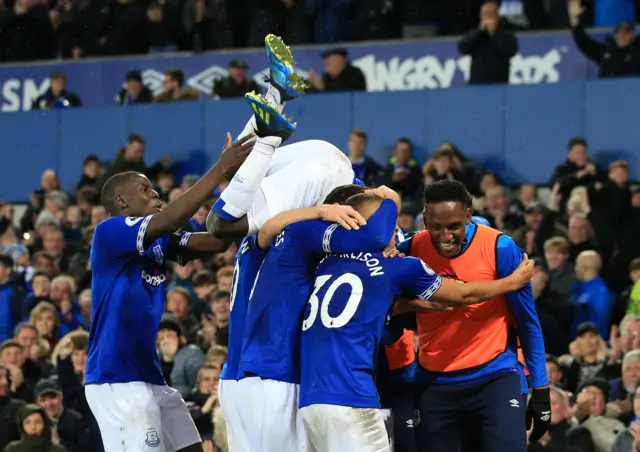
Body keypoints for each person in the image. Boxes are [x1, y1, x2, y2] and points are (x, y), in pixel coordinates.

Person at [82, 117, 269, 451]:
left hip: (149, 376)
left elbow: (216, 242)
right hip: (115, 379)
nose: (155, 193)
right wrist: (220, 169)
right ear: (122, 202)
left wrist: (250, 185)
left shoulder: (158, 240)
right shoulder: (109, 232)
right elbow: (171, 218)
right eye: (145, 189)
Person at [298, 192, 534, 452]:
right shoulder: (400, 266)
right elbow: (463, 294)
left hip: (310, 400)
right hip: (352, 395)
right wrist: (511, 282)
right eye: (392, 223)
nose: (398, 230)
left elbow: (371, 304)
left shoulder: (325, 262)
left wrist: (415, 304)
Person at [232, 188, 400, 452]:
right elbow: (376, 236)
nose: (356, 230)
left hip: (279, 377)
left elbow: (266, 231)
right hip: (274, 374)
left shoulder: (310, 251)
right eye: (356, 219)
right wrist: (390, 199)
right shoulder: (305, 231)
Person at [399, 180, 550, 452]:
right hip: (434, 384)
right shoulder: (409, 250)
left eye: (454, 226)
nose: (445, 236)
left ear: (468, 215)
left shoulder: (500, 248)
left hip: (495, 377)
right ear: (425, 218)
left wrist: (541, 387)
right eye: (436, 227)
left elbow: (527, 322)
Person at [207, 34, 364, 242]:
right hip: (327, 177)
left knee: (222, 215)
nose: (156, 196)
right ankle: (274, 102)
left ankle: (274, 108)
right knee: (222, 215)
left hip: (326, 173)